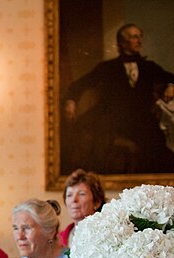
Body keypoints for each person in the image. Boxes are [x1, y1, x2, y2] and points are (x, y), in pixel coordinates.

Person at [62, 23, 174, 174]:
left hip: (142, 119)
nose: (139, 40)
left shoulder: (149, 66)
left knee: (158, 148)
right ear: (122, 42)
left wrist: (171, 85)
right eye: (134, 37)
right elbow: (81, 84)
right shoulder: (108, 67)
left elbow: (170, 77)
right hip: (112, 119)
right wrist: (71, 100)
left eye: (140, 36)